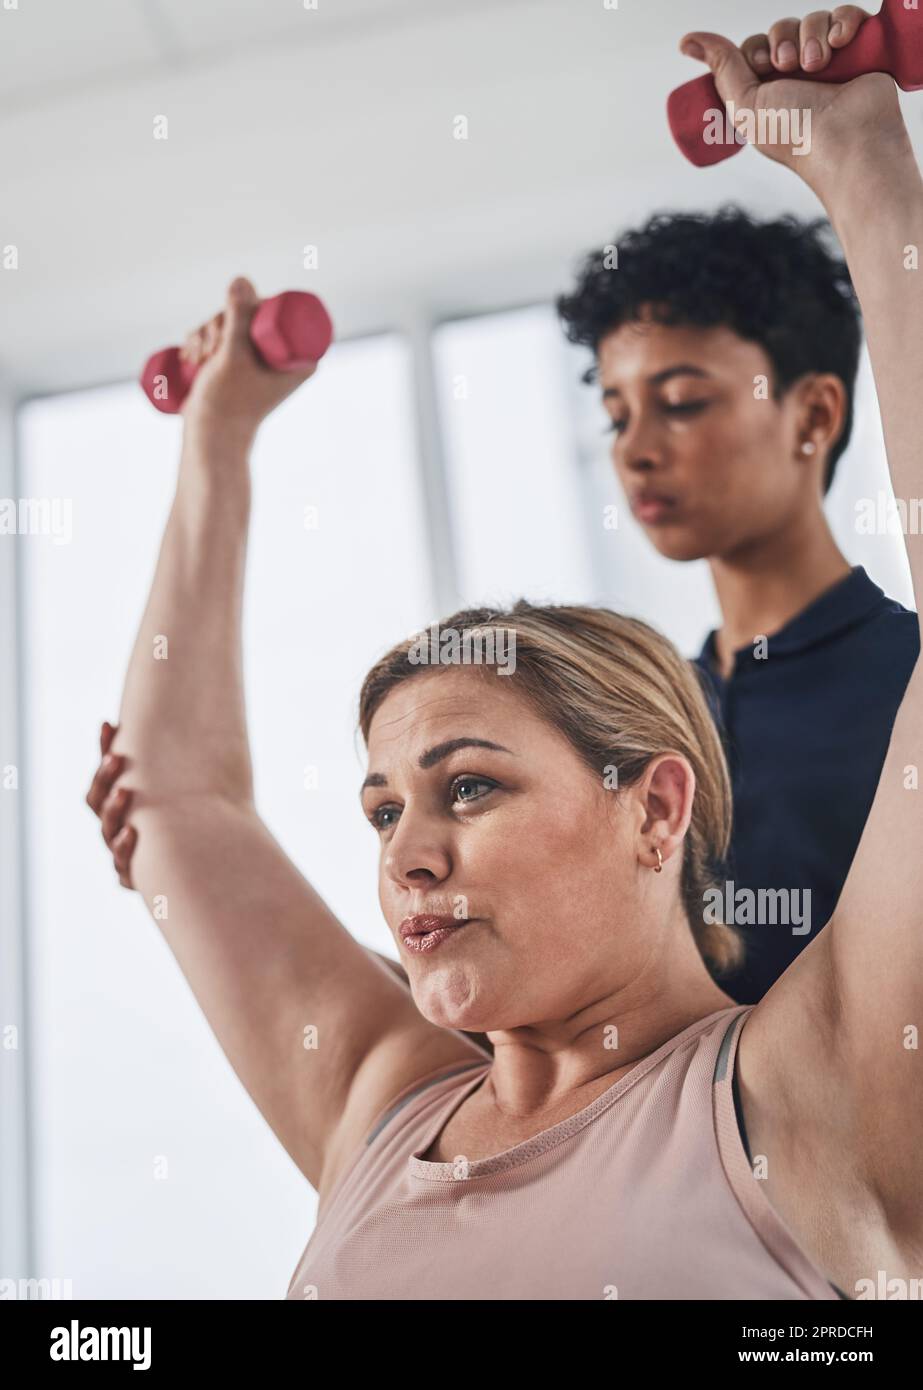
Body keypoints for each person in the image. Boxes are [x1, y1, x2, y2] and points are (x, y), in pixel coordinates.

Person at [86, 9, 922, 1298]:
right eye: (379, 810)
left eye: (466, 785)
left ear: (657, 805)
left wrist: (866, 168)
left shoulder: (794, 1102)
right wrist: (216, 441)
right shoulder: (387, 1100)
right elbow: (179, 807)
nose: (404, 853)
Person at [556, 207, 919, 1006]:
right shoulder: (644, 714)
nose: (634, 448)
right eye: (617, 415)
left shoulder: (907, 682)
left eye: (681, 402)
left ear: (814, 416)